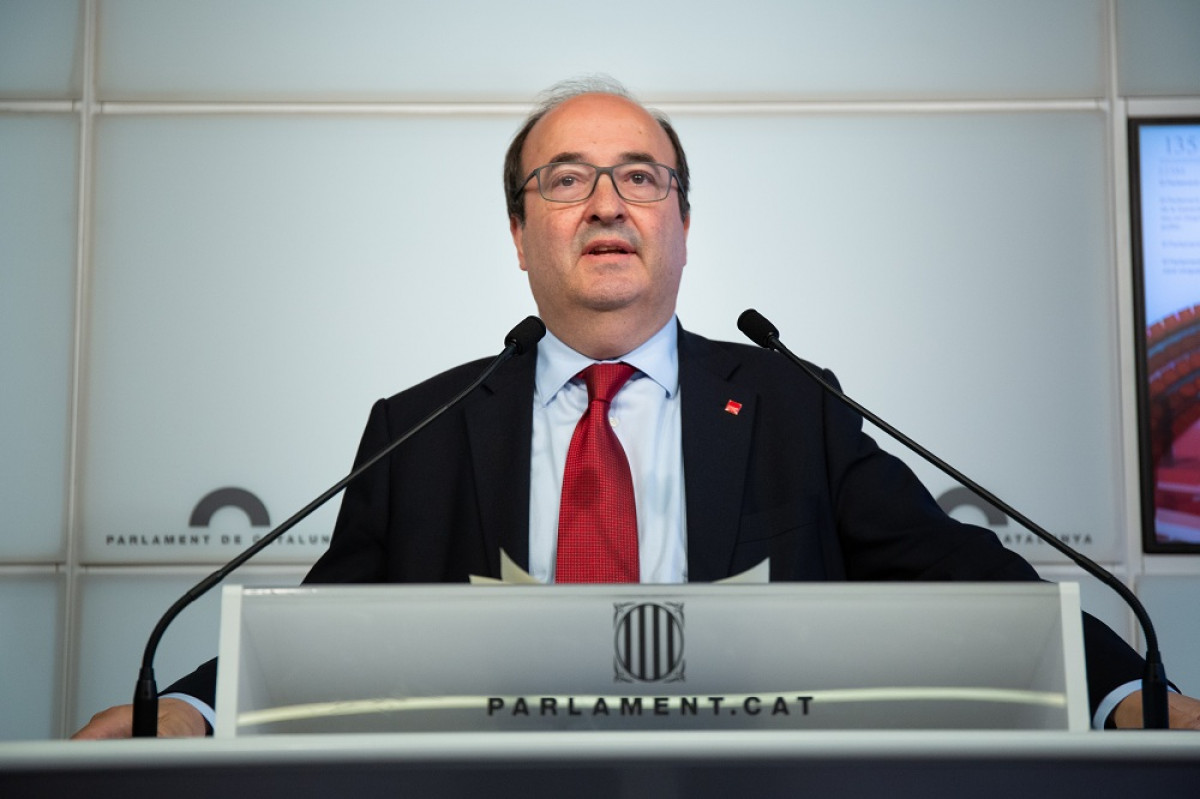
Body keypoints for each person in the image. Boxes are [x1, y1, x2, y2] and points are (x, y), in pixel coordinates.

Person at [74, 77, 1200, 738]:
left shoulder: (789, 403)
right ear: (520, 235)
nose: (606, 202)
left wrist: (1124, 689)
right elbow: (317, 634)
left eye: (641, 177)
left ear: (683, 225)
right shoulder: (422, 426)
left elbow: (963, 575)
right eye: (566, 179)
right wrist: (189, 710)